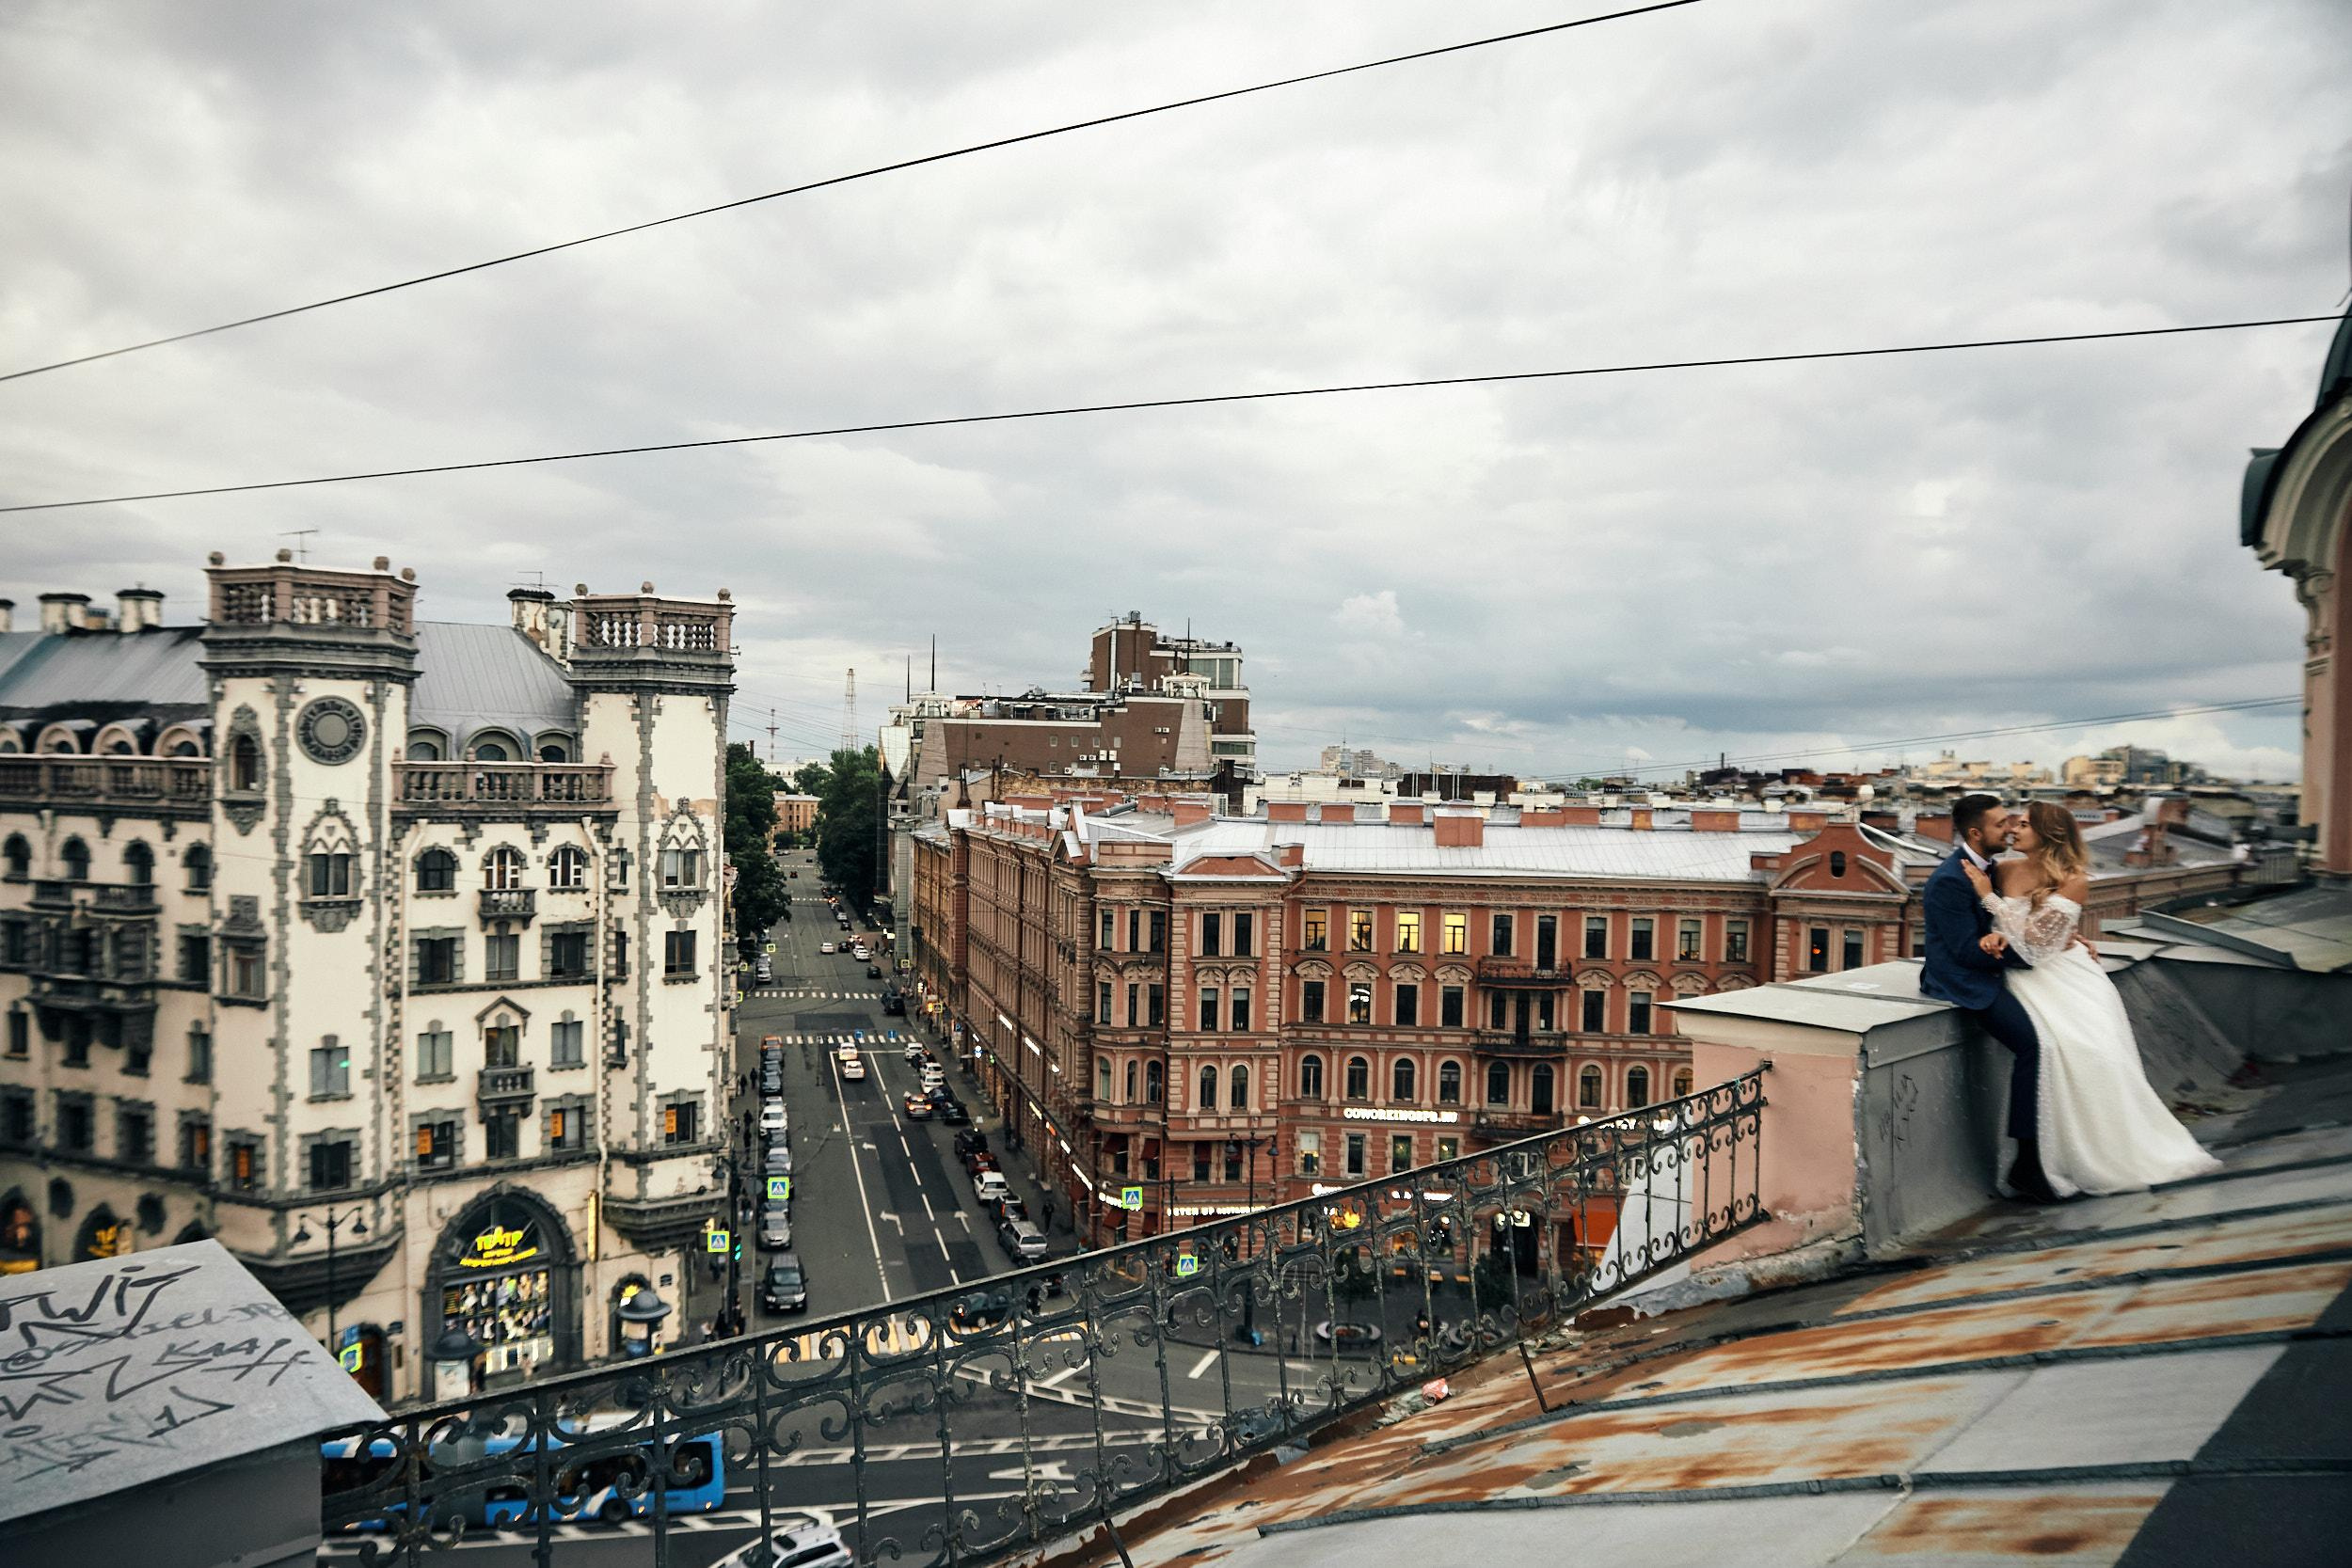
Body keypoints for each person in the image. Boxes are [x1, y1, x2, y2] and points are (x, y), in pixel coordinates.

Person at [1960, 800, 2220, 1196]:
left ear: (2050, 834)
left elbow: (2035, 946)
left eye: (2025, 825)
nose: (2014, 830)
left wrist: (1990, 899)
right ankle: (2043, 1162)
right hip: (2025, 982)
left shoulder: (2074, 879)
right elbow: (2012, 932)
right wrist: (2006, 924)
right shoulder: (2005, 869)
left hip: (2067, 982)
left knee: (2091, 1057)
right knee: (2054, 1057)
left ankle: (2091, 1156)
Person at [1919, 795, 2059, 1200]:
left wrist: (2060, 940)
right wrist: (2032, 958)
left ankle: (2037, 1158)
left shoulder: (1991, 868)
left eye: (2013, 822)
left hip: (1994, 970)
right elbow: (1964, 951)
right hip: (1963, 981)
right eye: (2002, 824)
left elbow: (2022, 918)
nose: (2011, 829)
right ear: (1977, 833)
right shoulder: (1948, 879)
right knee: (2032, 1045)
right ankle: (2026, 1163)